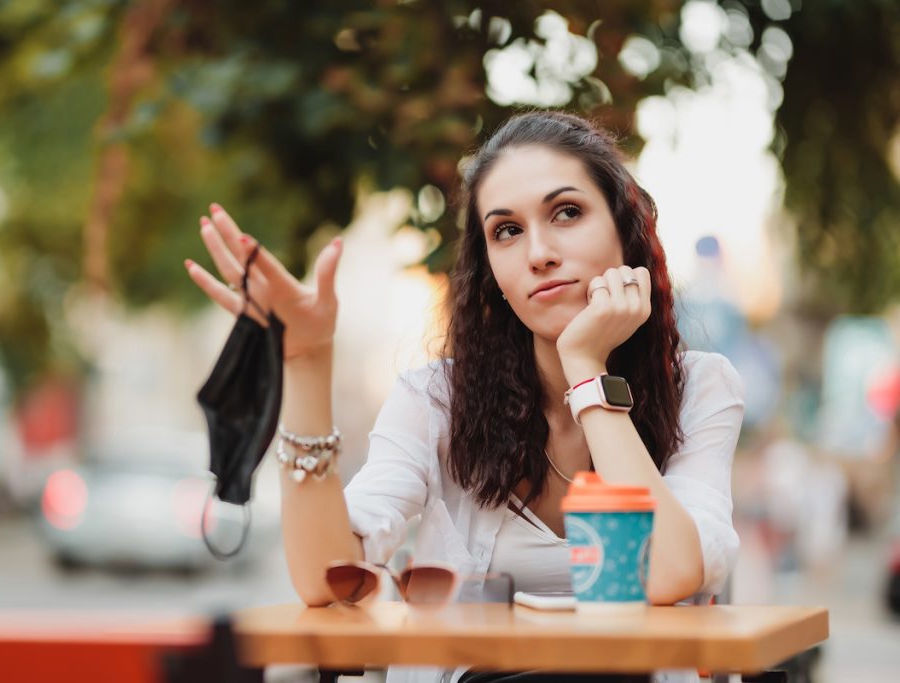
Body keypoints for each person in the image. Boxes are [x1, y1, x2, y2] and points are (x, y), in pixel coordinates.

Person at [184, 111, 745, 683]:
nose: (539, 253)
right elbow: (324, 577)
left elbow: (668, 571)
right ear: (490, 271)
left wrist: (586, 372)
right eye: (507, 231)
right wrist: (307, 362)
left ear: (626, 230)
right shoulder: (436, 400)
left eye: (567, 213)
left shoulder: (700, 388)